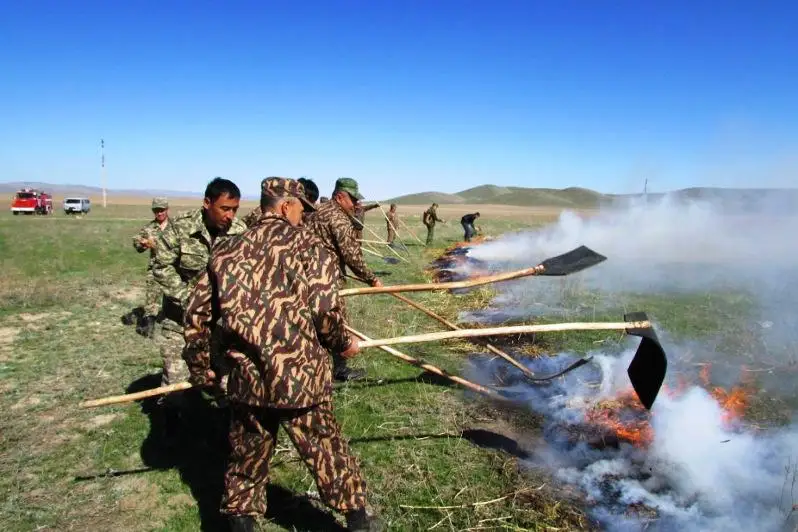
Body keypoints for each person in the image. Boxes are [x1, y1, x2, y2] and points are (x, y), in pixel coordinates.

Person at [183, 177, 382, 532]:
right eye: (301, 210)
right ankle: (359, 520)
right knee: (327, 452)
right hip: (300, 378)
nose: (302, 217)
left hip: (248, 379)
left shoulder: (226, 250)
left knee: (246, 460)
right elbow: (324, 311)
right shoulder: (310, 246)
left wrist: (202, 370)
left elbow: (195, 317)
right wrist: (342, 344)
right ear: (287, 205)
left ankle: (241, 521)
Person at [151, 177, 247, 400]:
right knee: (177, 389)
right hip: (180, 323)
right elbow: (161, 267)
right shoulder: (180, 227)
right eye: (224, 208)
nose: (230, 216)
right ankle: (173, 429)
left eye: (234, 210)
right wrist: (190, 301)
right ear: (206, 203)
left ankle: (219, 429)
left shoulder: (240, 231)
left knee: (228, 385)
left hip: (220, 327)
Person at [305, 177, 383, 382]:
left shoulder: (315, 211)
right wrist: (372, 279)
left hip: (305, 278)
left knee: (312, 323)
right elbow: (352, 256)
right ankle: (339, 369)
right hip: (328, 281)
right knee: (337, 324)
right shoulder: (339, 218)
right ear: (340, 196)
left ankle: (315, 366)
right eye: (353, 199)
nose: (356, 204)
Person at [131, 196, 171, 337]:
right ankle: (149, 326)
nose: (159, 213)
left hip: (173, 268)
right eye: (156, 211)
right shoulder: (149, 228)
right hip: (155, 268)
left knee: (175, 296)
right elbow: (137, 242)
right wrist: (142, 243)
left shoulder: (175, 227)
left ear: (167, 209)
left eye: (161, 210)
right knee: (151, 297)